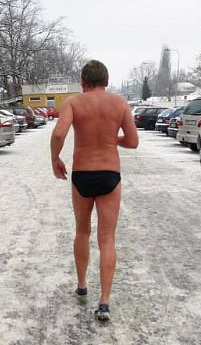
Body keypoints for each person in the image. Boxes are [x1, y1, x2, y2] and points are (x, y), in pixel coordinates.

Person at [50, 60, 139, 322]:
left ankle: (81, 285)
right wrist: (113, 139)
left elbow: (58, 135)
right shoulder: (120, 103)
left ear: (83, 80)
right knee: (107, 238)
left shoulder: (74, 103)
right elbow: (133, 142)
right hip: (109, 174)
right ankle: (104, 301)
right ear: (106, 80)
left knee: (82, 230)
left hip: (82, 174)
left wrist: (55, 159)